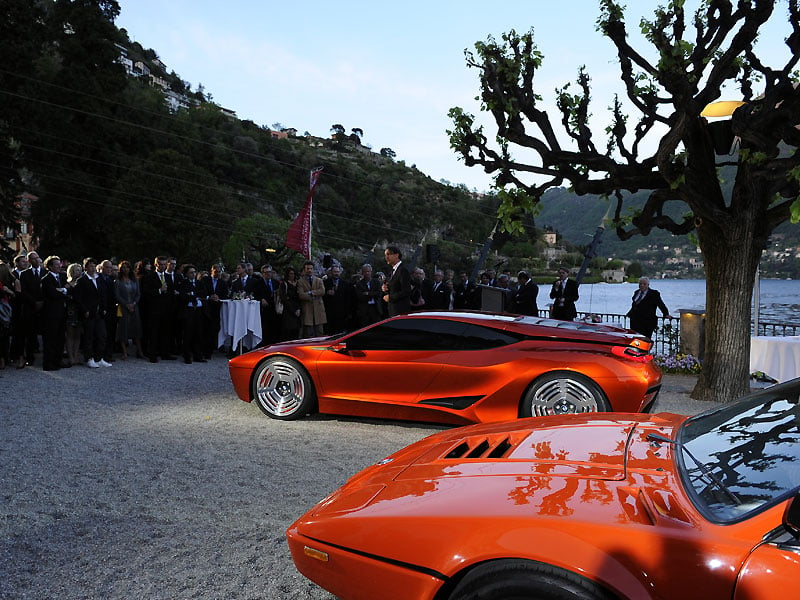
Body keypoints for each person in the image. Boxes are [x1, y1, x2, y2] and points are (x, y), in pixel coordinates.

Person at [74, 257, 112, 368]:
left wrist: (104, 308)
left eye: (94, 266)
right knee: (89, 336)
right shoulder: (82, 280)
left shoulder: (99, 278)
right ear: (85, 268)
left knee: (102, 335)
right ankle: (89, 358)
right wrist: (84, 310)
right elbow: (78, 298)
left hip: (99, 312)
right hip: (88, 313)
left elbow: (103, 294)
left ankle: (99, 357)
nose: (93, 268)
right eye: (90, 266)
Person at [140, 256, 176, 362]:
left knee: (165, 332)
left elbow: (171, 293)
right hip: (154, 310)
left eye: (165, 264)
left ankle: (165, 353)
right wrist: (159, 290)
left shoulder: (168, 277)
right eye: (161, 264)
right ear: (156, 264)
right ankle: (152, 355)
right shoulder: (149, 276)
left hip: (166, 310)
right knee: (153, 333)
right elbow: (146, 292)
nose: (163, 266)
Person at [40, 255, 70, 371]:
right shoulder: (46, 279)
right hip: (50, 314)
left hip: (62, 312)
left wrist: (62, 290)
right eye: (56, 265)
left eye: (59, 264)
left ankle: (58, 360)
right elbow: (52, 294)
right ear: (50, 267)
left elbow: (70, 288)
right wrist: (63, 290)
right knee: (50, 339)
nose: (59, 266)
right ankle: (49, 363)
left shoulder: (62, 277)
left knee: (60, 338)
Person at [176, 264, 207, 364]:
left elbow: (203, 293)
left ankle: (198, 354)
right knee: (188, 333)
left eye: (194, 272)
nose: (193, 274)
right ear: (186, 274)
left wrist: (192, 294)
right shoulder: (183, 283)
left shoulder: (199, 283)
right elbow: (182, 296)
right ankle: (187, 355)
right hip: (188, 310)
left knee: (198, 333)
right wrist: (192, 296)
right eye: (191, 272)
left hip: (198, 310)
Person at [115, 260, 144, 360]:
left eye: (127, 267)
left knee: (137, 329)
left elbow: (138, 294)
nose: (125, 269)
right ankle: (124, 352)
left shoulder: (135, 280)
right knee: (123, 329)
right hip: (123, 307)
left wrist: (134, 303)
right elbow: (117, 295)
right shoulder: (118, 281)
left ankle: (139, 351)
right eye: (123, 267)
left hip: (134, 307)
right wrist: (126, 305)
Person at [199, 263, 229, 357]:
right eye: (216, 272)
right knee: (205, 329)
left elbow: (225, 294)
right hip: (206, 307)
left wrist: (218, 298)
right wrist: (209, 297)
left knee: (214, 330)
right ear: (212, 271)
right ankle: (202, 349)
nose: (218, 274)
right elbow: (200, 291)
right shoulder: (205, 280)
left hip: (216, 308)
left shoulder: (222, 283)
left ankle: (210, 351)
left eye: (219, 272)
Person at [297, 261, 326, 337]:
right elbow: (301, 295)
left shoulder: (319, 280)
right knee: (308, 333)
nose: (309, 270)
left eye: (311, 268)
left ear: (313, 269)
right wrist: (314, 295)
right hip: (307, 309)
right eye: (307, 268)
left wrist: (311, 293)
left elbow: (322, 291)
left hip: (318, 310)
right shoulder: (300, 282)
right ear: (304, 269)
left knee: (320, 332)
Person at [323, 264, 355, 334]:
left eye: (337, 272)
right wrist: (327, 293)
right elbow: (322, 297)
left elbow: (348, 299)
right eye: (334, 272)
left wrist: (348, 312)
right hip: (329, 313)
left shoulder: (345, 284)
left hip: (341, 313)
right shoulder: (325, 283)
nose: (336, 274)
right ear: (331, 272)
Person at [382, 246, 411, 317]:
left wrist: (390, 297)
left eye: (388, 254)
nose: (386, 257)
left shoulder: (403, 271)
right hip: (392, 309)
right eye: (385, 255)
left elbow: (406, 291)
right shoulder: (391, 272)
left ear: (396, 255)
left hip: (400, 310)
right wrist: (385, 288)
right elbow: (393, 288)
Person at [64, 263, 83, 366]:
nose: (78, 272)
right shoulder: (67, 283)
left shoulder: (83, 283)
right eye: (76, 270)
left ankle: (75, 355)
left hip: (80, 310)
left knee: (78, 335)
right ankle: (70, 356)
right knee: (70, 335)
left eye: (80, 270)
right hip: (70, 311)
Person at [277, 266, 301, 341]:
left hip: (297, 309)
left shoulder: (298, 283)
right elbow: (284, 298)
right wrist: (293, 310)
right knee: (288, 332)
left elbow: (300, 297)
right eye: (290, 274)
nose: (292, 275)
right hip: (288, 310)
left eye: (293, 274)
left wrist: (299, 309)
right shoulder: (284, 284)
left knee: (296, 332)